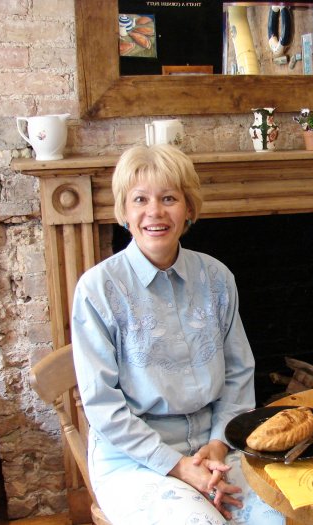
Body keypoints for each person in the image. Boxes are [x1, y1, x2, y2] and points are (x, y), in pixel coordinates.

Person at [71, 144, 285, 525]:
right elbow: (102, 406)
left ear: (188, 208)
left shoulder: (217, 278)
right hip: (136, 461)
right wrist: (180, 467)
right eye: (140, 199)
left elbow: (238, 373)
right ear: (124, 211)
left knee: (279, 517)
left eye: (169, 198)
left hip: (216, 448)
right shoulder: (97, 290)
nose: (155, 211)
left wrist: (217, 446)